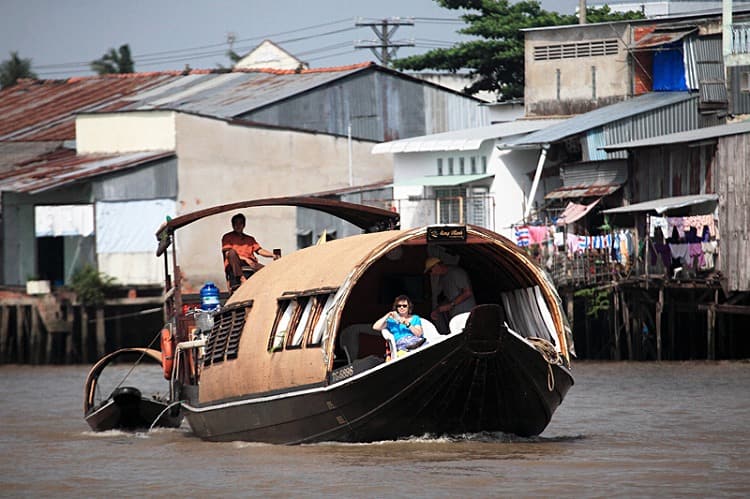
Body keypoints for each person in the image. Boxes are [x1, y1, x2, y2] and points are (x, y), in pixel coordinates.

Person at [221, 213, 279, 291]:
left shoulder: (250, 239)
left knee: (269, 271)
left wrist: (272, 255)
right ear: (232, 225)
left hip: (251, 263)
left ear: (244, 225)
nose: (238, 226)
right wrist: (245, 259)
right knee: (231, 253)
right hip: (235, 263)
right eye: (236, 223)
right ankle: (241, 278)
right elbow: (227, 253)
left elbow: (259, 250)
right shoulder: (227, 237)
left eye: (240, 223)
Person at [424, 256, 476, 325]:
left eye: (430, 271)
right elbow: (449, 297)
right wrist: (438, 309)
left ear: (436, 266)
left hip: (466, 314)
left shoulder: (457, 273)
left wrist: (451, 305)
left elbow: (468, 292)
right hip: (455, 316)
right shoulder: (443, 278)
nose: (431, 273)